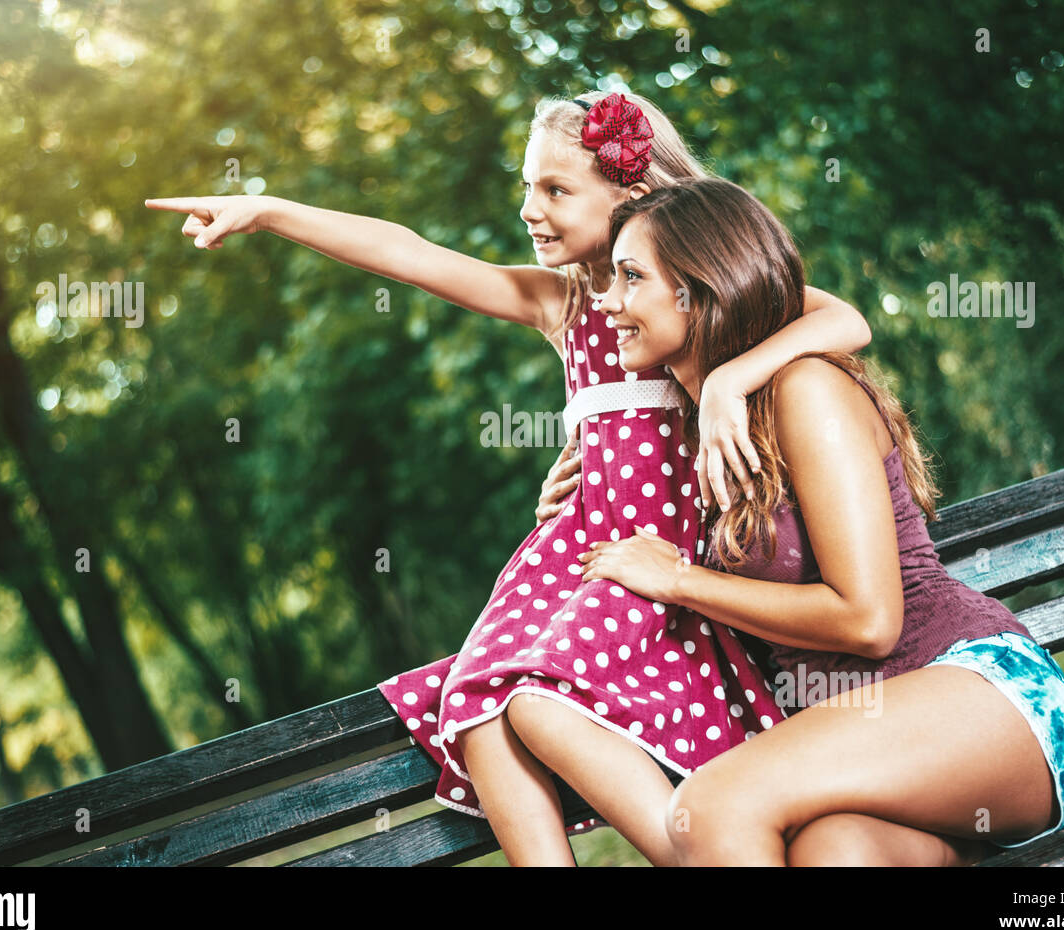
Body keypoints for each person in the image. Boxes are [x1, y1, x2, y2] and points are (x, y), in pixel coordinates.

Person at [146, 91, 873, 866]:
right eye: (526, 186)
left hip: (656, 558)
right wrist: (271, 212)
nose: (531, 209)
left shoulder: (695, 294)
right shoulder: (562, 305)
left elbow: (845, 320)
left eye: (556, 190)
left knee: (533, 699)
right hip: (578, 550)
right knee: (476, 706)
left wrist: (732, 383)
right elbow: (409, 252)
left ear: (632, 197)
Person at [574, 176, 1064, 866]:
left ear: (699, 290)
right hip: (877, 763)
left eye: (630, 276)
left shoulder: (805, 390)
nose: (607, 301)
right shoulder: (704, 430)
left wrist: (680, 581)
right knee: (834, 853)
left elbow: (869, 620)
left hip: (987, 700)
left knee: (711, 807)